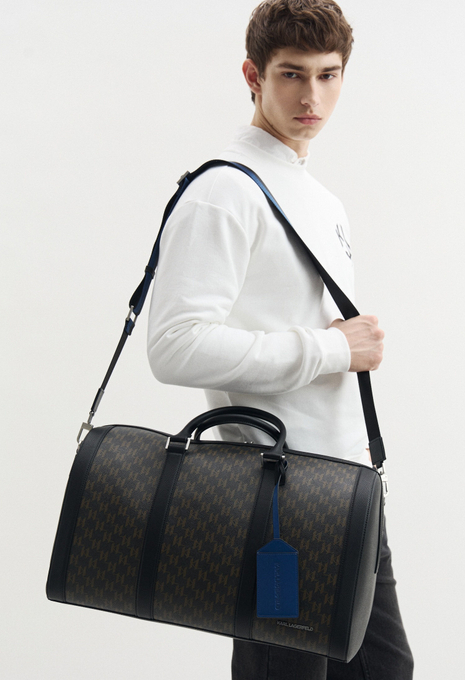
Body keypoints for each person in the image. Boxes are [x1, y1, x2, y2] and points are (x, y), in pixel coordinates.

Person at [147, 1, 414, 678]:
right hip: (277, 500)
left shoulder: (320, 199)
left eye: (328, 75)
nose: (310, 97)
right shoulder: (223, 190)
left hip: (348, 489)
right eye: (292, 74)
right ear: (253, 76)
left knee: (385, 669)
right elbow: (174, 345)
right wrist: (332, 349)